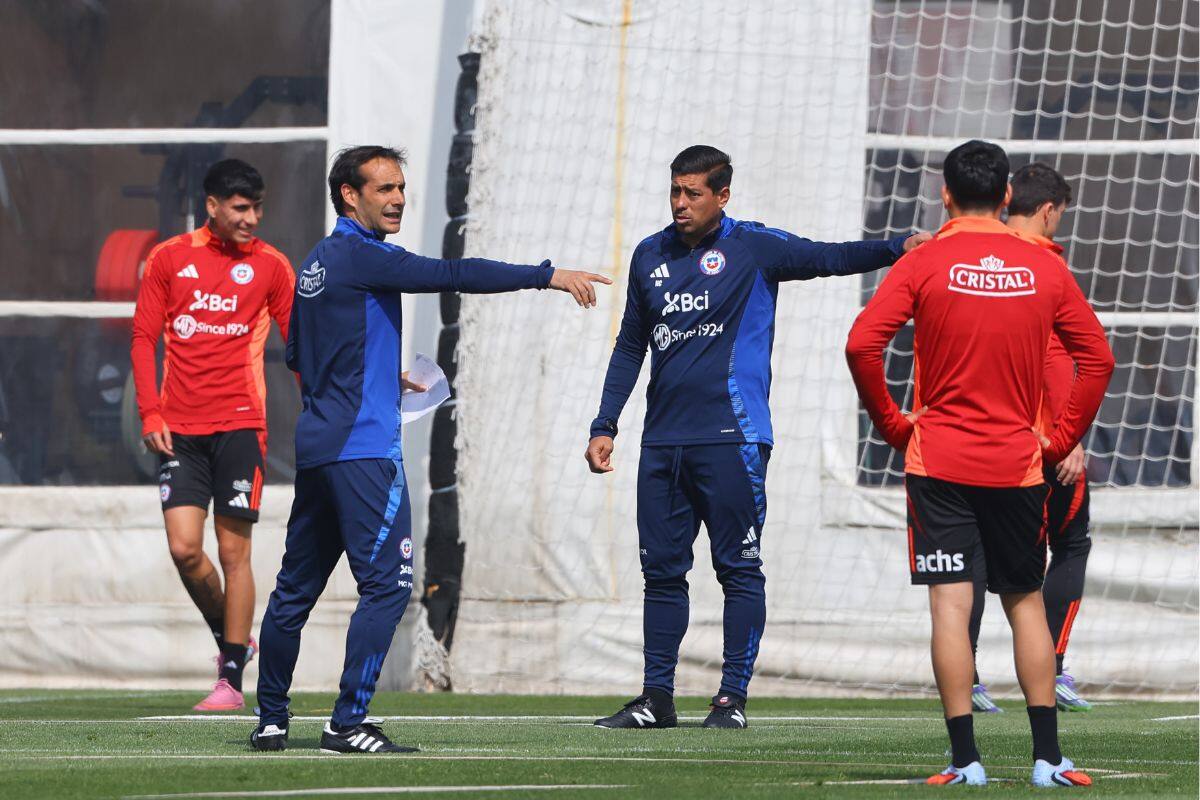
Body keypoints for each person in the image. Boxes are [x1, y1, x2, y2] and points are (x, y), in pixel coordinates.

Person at [250, 145, 610, 754]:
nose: (398, 199)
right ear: (349, 195)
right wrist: (546, 274)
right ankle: (346, 723)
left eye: (400, 187)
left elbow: (302, 358)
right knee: (388, 587)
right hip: (363, 451)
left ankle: (271, 720)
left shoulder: (315, 264)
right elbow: (451, 275)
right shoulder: (365, 256)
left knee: (294, 592)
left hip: (318, 448)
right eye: (384, 188)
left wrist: (376, 377)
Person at [585, 144, 929, 730]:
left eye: (692, 193)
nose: (679, 204)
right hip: (663, 442)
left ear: (722, 196)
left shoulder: (753, 247)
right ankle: (656, 698)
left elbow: (827, 257)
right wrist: (605, 423)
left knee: (738, 568)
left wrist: (896, 249)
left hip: (733, 437)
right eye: (674, 191)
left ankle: (731, 699)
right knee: (662, 573)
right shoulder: (650, 256)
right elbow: (629, 346)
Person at [845, 139, 1114, 787]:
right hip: (1018, 464)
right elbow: (1098, 360)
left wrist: (892, 428)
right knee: (1024, 602)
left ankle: (965, 760)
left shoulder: (926, 260)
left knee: (950, 607)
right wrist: (1059, 440)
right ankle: (1048, 759)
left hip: (938, 463)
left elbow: (862, 344)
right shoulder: (1044, 267)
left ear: (944, 195)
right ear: (1004, 198)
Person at [131, 158, 295, 711]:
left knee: (233, 552)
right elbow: (141, 338)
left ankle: (230, 676)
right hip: (179, 430)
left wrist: (361, 381)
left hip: (241, 428)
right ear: (213, 206)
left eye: (258, 208)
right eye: (241, 208)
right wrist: (150, 412)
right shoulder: (170, 258)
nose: (252, 219)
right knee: (183, 549)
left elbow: (299, 348)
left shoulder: (271, 265)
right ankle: (233, 636)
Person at [970, 163, 1094, 714]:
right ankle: (1053, 670)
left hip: (972, 436)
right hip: (1039, 443)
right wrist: (1066, 435)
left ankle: (965, 674)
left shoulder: (973, 259)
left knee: (971, 554)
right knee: (1068, 544)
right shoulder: (1042, 266)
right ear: (1049, 211)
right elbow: (1063, 358)